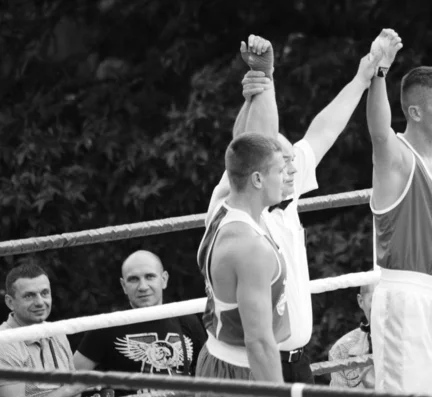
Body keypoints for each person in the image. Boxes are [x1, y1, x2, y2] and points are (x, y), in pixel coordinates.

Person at [206, 33, 384, 384]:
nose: (292, 170)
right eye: (282, 163)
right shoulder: (235, 206)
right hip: (250, 365)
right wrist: (266, 82)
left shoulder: (279, 189)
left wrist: (362, 78)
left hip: (293, 361)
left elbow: (324, 130)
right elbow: (251, 142)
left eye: (291, 161)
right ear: (259, 174)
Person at [366, 29, 432, 396]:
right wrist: (379, 72)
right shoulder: (396, 158)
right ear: (415, 112)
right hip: (404, 300)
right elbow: (379, 133)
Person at [196, 132, 289, 384]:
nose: (286, 177)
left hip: (218, 360)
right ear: (258, 179)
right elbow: (258, 342)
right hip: (241, 371)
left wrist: (256, 95)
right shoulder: (251, 247)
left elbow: (243, 145)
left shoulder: (219, 208)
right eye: (280, 171)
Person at [73, 250, 207, 397]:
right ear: (123, 286)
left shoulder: (187, 319)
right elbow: (69, 380)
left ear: (164, 279)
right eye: (133, 279)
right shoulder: (108, 325)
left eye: (150, 277)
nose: (143, 286)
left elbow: (209, 376)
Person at [0, 264, 83, 397]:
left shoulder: (58, 333)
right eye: (29, 296)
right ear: (10, 302)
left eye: (44, 293)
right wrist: (72, 389)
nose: (39, 302)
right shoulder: (4, 342)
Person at [328, 284, 375, 389]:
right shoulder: (341, 350)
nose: (382, 307)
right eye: (375, 299)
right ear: (361, 301)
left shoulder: (415, 343)